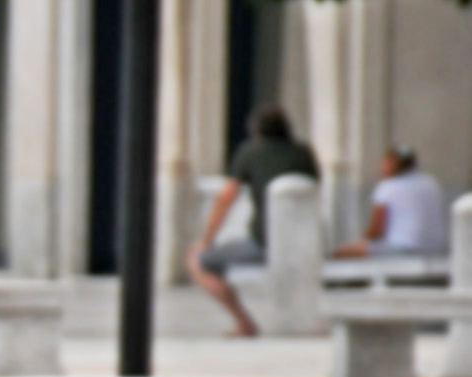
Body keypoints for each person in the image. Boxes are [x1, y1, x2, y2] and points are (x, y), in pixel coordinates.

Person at [188, 104, 321, 338]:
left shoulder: (251, 151)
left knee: (197, 261)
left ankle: (244, 322)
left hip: (263, 241)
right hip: (306, 241)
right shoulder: (303, 152)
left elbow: (226, 197)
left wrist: (207, 239)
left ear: (257, 130)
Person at [333, 147, 449, 259]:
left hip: (403, 249)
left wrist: (361, 242)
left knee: (340, 253)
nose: (382, 167)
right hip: (435, 249)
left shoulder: (387, 187)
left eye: (385, 163)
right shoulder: (431, 183)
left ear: (393, 164)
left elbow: (377, 231)